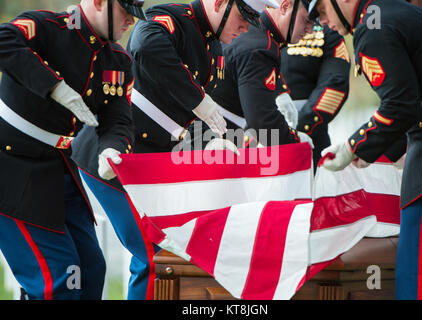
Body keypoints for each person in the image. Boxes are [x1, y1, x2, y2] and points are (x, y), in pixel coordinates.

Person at [71, 0, 278, 300]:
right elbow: (145, 44)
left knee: (168, 254)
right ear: (220, 3)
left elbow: (185, 117)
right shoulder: (175, 18)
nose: (246, 27)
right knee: (154, 255)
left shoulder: (214, 49)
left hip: (149, 166)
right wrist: (198, 99)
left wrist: (224, 140)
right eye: (243, 16)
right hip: (112, 156)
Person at [0, 0, 145, 299]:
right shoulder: (49, 28)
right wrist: (53, 86)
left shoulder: (117, 60)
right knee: (57, 279)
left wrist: (112, 149)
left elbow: (117, 120)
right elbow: (4, 40)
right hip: (13, 165)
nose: (130, 20)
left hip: (59, 167)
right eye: (125, 11)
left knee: (91, 271)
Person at [308, 0, 422, 299]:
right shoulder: (394, 12)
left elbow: (400, 105)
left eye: (322, 11)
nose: (323, 22)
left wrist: (352, 147)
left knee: (421, 276)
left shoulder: (371, 27)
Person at [209, 0, 315, 150]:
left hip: (213, 132)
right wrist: (295, 140)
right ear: (284, 7)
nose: (310, 30)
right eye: (306, 20)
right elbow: (262, 121)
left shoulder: (256, 30)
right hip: (211, 139)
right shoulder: (261, 48)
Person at [280, 22, 350, 169]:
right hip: (258, 139)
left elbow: (335, 84)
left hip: (310, 139)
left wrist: (296, 131)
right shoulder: (253, 22)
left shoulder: (326, 28)